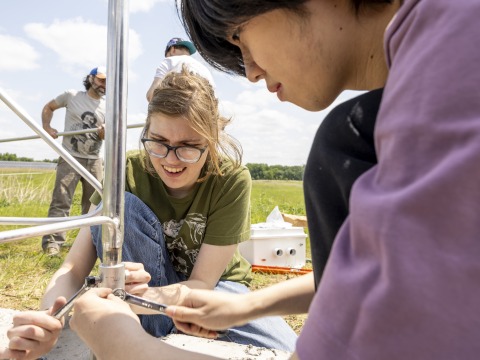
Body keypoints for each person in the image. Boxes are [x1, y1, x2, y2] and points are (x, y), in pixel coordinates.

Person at [34, 0, 480, 359]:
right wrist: (54, 314)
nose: (250, 71)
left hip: (202, 291)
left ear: (212, 141)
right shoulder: (379, 117)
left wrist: (122, 344)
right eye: (158, 143)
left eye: (239, 37)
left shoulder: (451, 62)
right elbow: (373, 269)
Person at [2, 68, 297, 360]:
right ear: (146, 132)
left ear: (212, 140)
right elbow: (73, 269)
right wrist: (46, 318)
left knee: (289, 349)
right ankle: (151, 329)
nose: (170, 160)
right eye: (158, 142)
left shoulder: (231, 179)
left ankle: (151, 328)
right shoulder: (124, 171)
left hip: (213, 288)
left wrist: (135, 300)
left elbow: (201, 284)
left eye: (188, 147)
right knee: (121, 206)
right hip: (141, 294)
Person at [41, 66, 107, 256]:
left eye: (107, 82)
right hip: (70, 157)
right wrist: (47, 127)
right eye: (101, 80)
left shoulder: (107, 107)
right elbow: (49, 107)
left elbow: (106, 135)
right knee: (61, 201)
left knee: (93, 205)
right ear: (91, 79)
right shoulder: (72, 96)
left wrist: (104, 132)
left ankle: (87, 247)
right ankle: (53, 243)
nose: (104, 85)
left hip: (95, 160)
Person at [146, 37, 214, 102]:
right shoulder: (205, 69)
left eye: (168, 55)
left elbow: (151, 95)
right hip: (202, 111)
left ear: (173, 50)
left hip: (176, 109)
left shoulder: (169, 61)